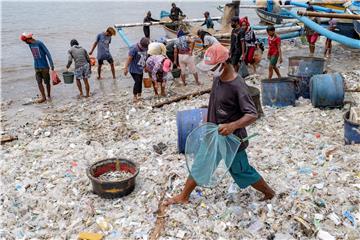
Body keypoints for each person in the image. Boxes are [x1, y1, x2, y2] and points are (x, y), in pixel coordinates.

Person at [164, 44, 275, 206]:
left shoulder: (238, 85)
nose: (209, 72)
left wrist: (232, 126)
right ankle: (183, 196)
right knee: (201, 163)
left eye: (212, 68)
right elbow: (213, 103)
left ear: (223, 64)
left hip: (233, 139)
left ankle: (269, 192)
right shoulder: (217, 79)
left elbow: (252, 114)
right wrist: (209, 126)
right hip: (214, 133)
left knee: (241, 171)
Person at [20, 32, 54, 103]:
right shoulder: (30, 45)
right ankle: (43, 97)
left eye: (25, 41)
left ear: (28, 39)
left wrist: (51, 64)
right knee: (39, 82)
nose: (25, 43)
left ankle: (48, 96)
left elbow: (47, 53)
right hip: (36, 66)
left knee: (47, 82)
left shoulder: (39, 43)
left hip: (44, 67)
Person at [124, 37, 150, 103]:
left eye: (146, 47)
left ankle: (139, 94)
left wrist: (145, 66)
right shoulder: (134, 48)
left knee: (140, 81)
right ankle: (134, 96)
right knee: (137, 81)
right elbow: (129, 58)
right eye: (143, 47)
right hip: (133, 68)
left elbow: (145, 57)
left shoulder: (146, 47)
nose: (145, 48)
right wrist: (125, 68)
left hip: (140, 68)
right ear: (140, 44)